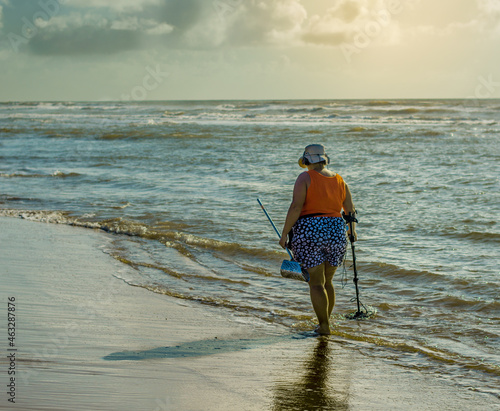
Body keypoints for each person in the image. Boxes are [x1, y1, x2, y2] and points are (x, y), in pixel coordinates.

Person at [279, 144, 356, 335]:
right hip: (337, 230)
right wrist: (351, 232)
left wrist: (284, 234)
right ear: (324, 159)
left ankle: (324, 327)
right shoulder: (340, 180)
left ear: (306, 161)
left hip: (310, 230)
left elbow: (296, 207)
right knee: (327, 282)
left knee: (316, 283)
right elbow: (350, 211)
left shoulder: (304, 178)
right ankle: (325, 322)